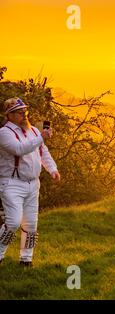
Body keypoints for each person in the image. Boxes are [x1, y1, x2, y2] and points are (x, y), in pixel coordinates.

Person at [0, 97, 60, 267]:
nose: (24, 115)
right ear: (10, 115)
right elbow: (20, 149)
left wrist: (53, 169)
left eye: (25, 111)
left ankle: (26, 259)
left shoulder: (32, 130)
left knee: (31, 224)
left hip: (33, 184)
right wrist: (41, 136)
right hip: (12, 183)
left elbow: (43, 152)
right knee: (13, 222)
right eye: (20, 112)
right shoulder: (4, 133)